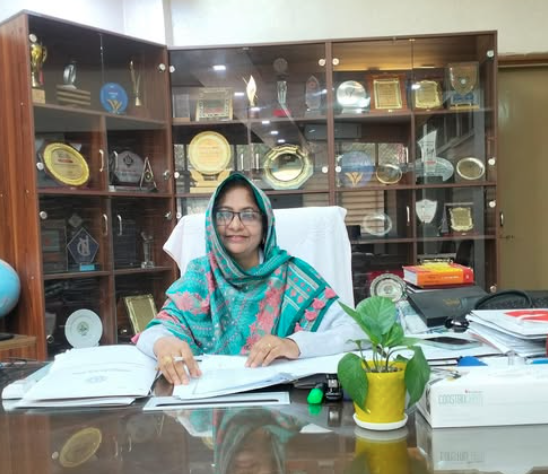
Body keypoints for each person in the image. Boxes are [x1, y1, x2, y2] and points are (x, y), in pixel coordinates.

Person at [135, 172, 361, 384]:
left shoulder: (293, 275)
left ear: (265, 225)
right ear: (212, 223)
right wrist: (163, 343)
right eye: (224, 214)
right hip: (206, 397)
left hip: (283, 400)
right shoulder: (199, 276)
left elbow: (357, 330)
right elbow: (154, 332)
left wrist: (293, 344)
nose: (235, 225)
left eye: (248, 215)